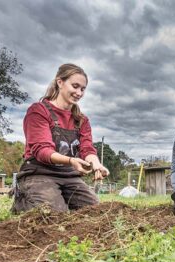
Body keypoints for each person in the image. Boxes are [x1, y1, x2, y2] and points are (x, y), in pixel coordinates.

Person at [11, 63, 109, 213]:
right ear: (60, 82)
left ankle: (59, 198)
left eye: (83, 89)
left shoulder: (81, 120)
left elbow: (87, 148)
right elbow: (42, 150)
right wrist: (70, 160)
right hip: (39, 173)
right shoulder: (38, 111)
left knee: (96, 211)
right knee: (53, 214)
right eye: (75, 86)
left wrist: (96, 165)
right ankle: (24, 200)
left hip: (68, 176)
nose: (79, 92)